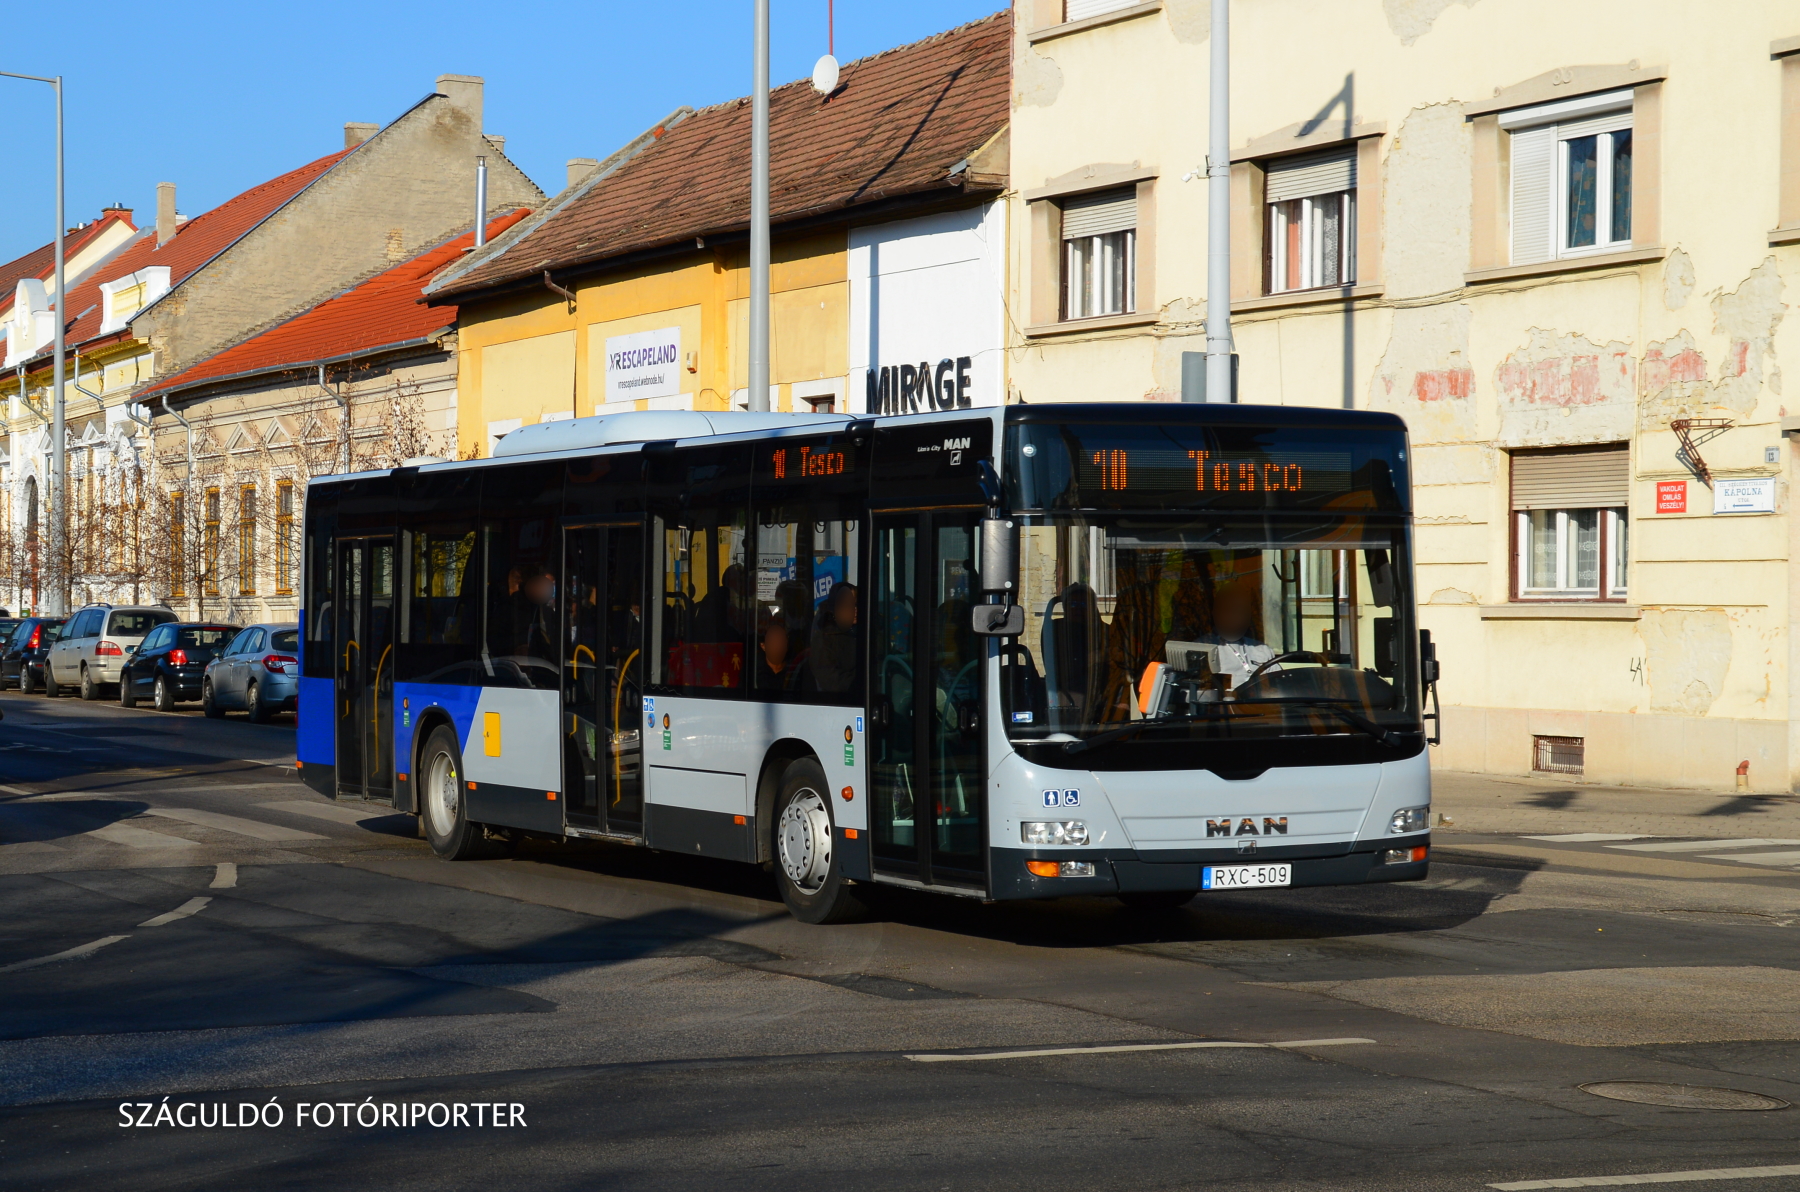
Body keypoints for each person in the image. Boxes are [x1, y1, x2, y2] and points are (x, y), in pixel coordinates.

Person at [1197, 582, 1276, 694]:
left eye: (1242, 611)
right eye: (1230, 610)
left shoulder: (1263, 650)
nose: (1237, 617)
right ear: (1215, 612)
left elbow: (1280, 685)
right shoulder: (1200, 650)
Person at [808, 581, 858, 694]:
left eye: (856, 604)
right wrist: (858, 685)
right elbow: (829, 678)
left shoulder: (870, 632)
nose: (854, 610)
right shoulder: (824, 638)